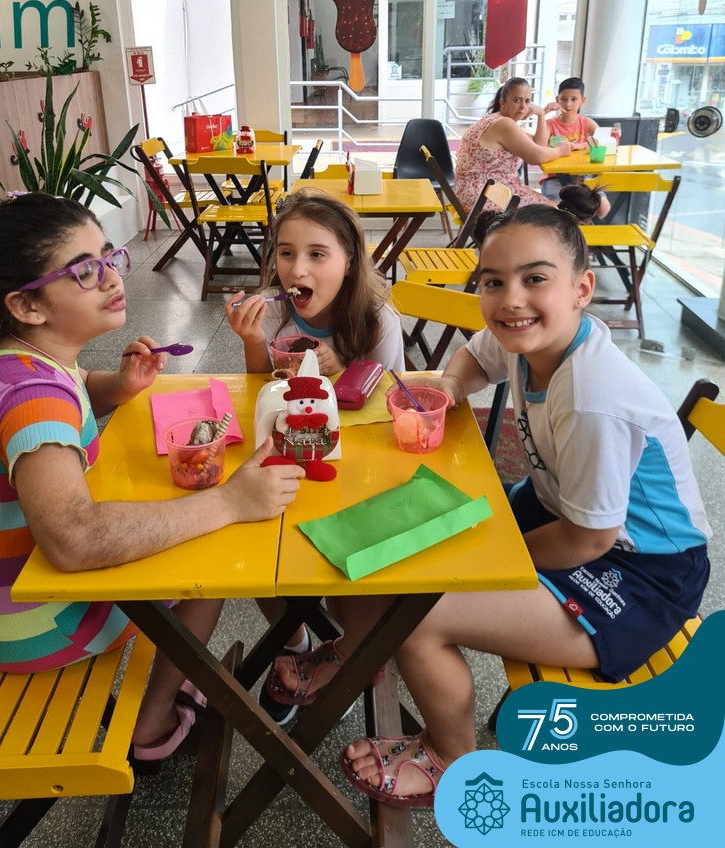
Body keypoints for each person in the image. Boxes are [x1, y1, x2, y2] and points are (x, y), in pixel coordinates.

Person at [268, 202, 711, 807]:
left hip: (637, 574)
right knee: (393, 525)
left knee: (418, 611)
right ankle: (355, 652)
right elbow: (477, 355)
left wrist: (483, 563)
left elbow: (589, 539)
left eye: (535, 278)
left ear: (582, 289)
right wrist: (452, 385)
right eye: (493, 281)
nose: (511, 300)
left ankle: (451, 758)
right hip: (555, 509)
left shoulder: (592, 397)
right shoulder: (530, 339)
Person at [0, 193, 303, 767]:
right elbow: (73, 538)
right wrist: (229, 502)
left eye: (109, 256)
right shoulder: (33, 398)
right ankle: (153, 721)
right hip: (34, 624)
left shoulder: (8, 360)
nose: (114, 277)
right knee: (209, 560)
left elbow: (69, 393)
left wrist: (117, 387)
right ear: (27, 305)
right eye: (85, 271)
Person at [225, 188, 405, 375]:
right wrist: (253, 341)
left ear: (349, 264)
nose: (297, 271)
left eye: (317, 254)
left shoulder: (379, 322)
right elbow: (263, 387)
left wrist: (340, 371)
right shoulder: (270, 311)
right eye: (287, 253)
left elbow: (388, 391)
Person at [453, 77, 571, 214]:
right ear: (503, 102)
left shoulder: (497, 120)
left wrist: (541, 114)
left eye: (527, 101)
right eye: (517, 100)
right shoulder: (503, 124)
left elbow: (539, 144)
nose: (523, 107)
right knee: (554, 213)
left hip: (484, 191)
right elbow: (537, 157)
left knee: (554, 208)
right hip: (483, 195)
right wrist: (560, 150)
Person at [541, 76, 610, 218]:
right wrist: (542, 115)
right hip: (555, 177)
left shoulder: (587, 123)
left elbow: (603, 143)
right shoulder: (549, 124)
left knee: (603, 208)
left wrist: (578, 145)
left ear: (582, 100)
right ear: (557, 100)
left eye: (574, 99)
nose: (568, 104)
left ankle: (584, 226)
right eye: (564, 99)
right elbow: (540, 146)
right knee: (553, 211)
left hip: (584, 176)